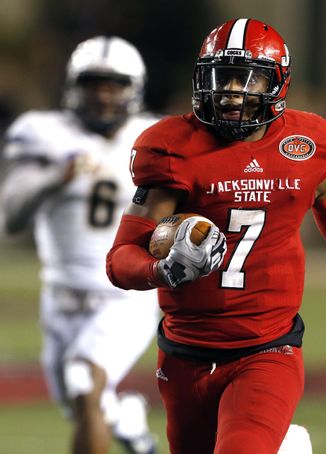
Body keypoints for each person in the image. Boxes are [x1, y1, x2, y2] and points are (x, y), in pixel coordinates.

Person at [106, 18, 326, 454]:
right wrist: (161, 269)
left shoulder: (307, 141)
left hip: (267, 348)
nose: (232, 92)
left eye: (248, 78)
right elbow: (119, 259)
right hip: (184, 353)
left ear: (277, 83)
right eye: (222, 77)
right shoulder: (172, 148)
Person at [0, 36, 160, 454]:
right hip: (60, 298)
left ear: (135, 88)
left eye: (114, 85)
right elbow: (11, 216)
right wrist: (56, 178)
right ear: (73, 86)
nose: (103, 96)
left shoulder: (156, 137)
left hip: (125, 296)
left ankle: (117, 414)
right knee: (79, 404)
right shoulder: (43, 133)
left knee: (84, 380)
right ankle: (127, 419)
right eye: (93, 84)